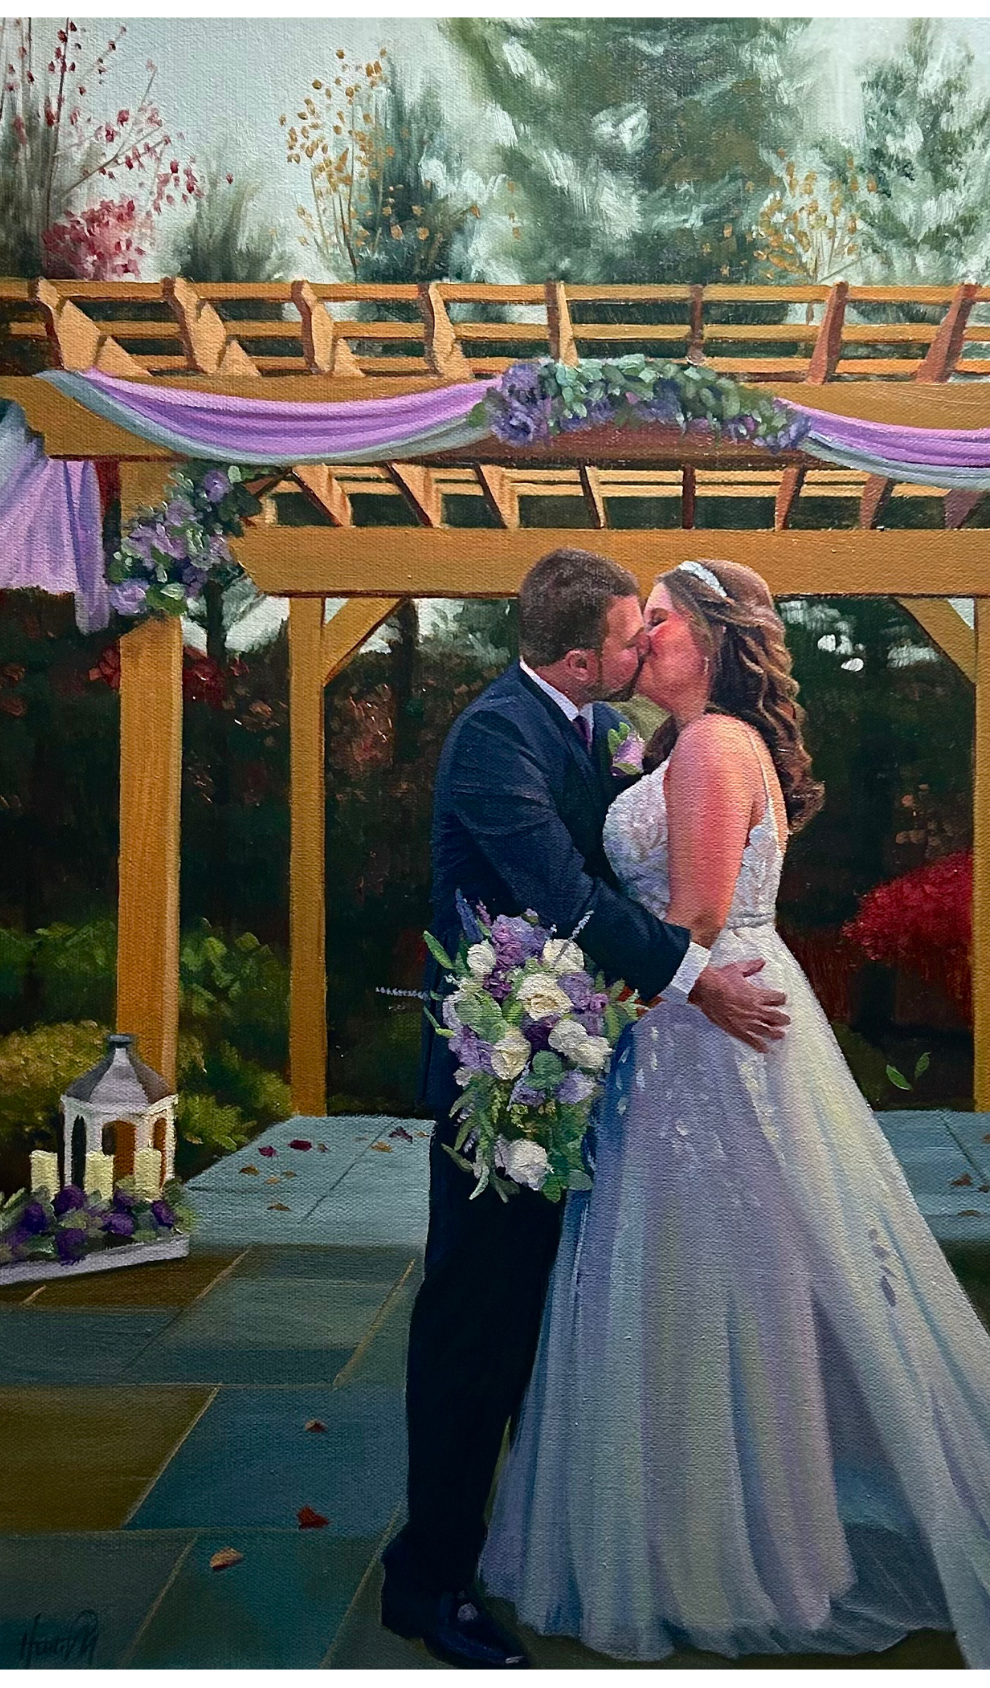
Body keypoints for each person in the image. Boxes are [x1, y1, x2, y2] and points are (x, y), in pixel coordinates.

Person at [478, 557, 990, 1669]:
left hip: (709, 1026)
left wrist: (573, 1007)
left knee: (709, 1266)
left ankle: (722, 1542)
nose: (638, 642)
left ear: (707, 640)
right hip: (693, 1019)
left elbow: (698, 914)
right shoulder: (678, 744)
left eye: (657, 622)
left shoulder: (713, 743)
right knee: (715, 1267)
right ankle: (723, 1524)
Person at [380, 547, 791, 1670]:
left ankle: (514, 1536)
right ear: (580, 656)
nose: (643, 642)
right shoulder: (495, 737)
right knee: (475, 1324)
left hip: (581, 1062)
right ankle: (425, 1581)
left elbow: (627, 869)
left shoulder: (594, 726)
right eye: (629, 632)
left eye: (656, 625)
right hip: (498, 1078)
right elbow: (560, 892)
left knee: (537, 1320)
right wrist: (698, 977)